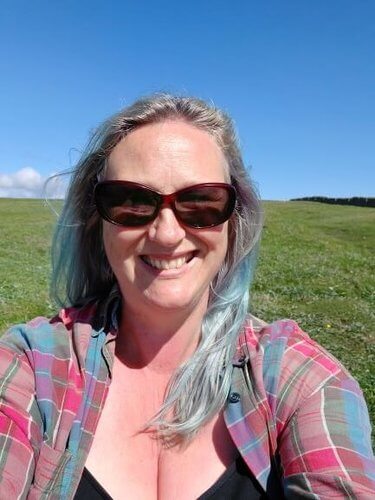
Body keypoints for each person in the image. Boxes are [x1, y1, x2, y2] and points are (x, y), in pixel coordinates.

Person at [0, 94, 374, 499]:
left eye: (200, 202)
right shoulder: (32, 366)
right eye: (131, 201)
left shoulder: (299, 380)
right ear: (97, 222)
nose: (167, 234)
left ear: (235, 221)